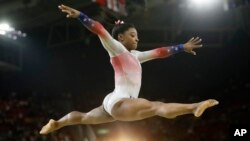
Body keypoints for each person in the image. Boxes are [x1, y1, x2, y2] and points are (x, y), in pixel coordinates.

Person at [40, 4, 219, 135]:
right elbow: (100, 29)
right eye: (132, 35)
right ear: (120, 37)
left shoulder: (136, 56)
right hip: (120, 102)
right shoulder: (117, 48)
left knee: (84, 117)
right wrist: (80, 15)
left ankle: (57, 123)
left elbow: (159, 52)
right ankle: (194, 107)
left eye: (137, 36)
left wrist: (182, 47)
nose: (137, 39)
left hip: (113, 100)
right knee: (156, 106)